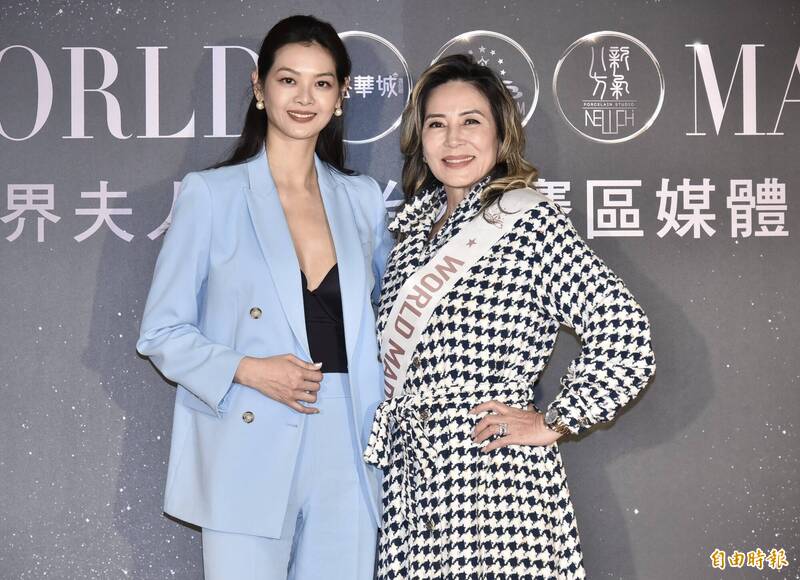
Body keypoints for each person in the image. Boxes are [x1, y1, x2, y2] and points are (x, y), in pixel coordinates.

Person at [363, 54, 656, 578]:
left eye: (471, 121)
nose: (453, 140)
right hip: (411, 488)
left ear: (500, 135)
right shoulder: (408, 239)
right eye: (437, 124)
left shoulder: (527, 222)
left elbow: (626, 338)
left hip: (494, 481)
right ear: (419, 139)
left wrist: (551, 421)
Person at [136, 15, 392, 580]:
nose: (304, 98)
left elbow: (390, 322)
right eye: (288, 80)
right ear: (259, 86)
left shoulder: (363, 199)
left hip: (350, 439)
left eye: (322, 83)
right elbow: (161, 332)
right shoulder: (212, 195)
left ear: (341, 97)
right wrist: (248, 369)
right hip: (247, 435)